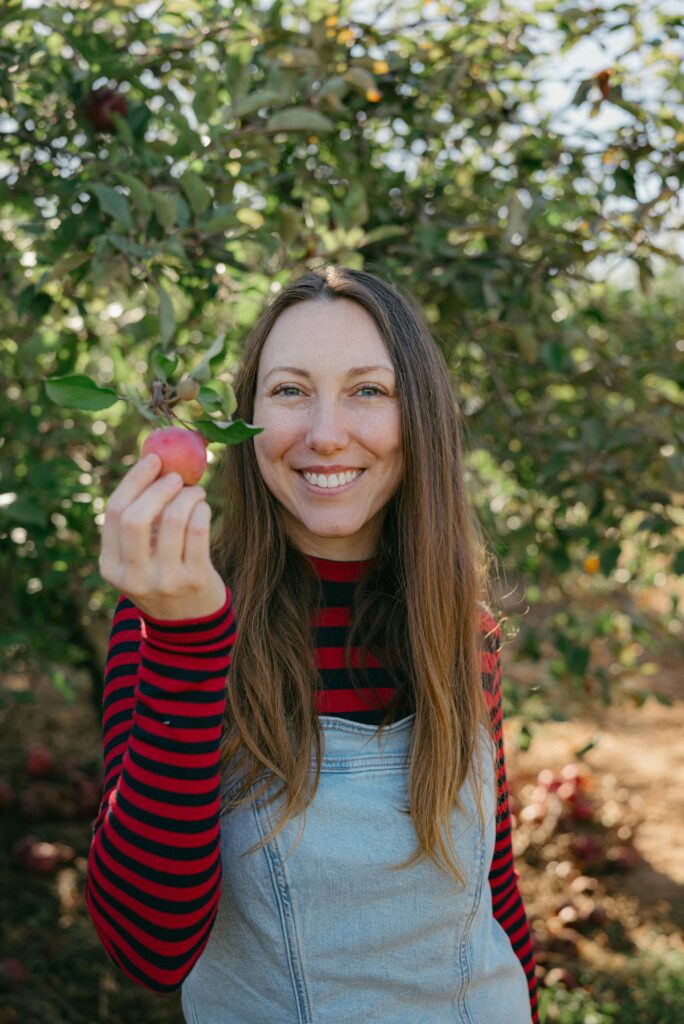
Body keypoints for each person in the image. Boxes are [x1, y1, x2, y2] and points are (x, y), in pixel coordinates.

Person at [86, 265, 539, 1024]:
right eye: (290, 390)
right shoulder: (169, 624)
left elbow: (491, 893)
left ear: (418, 417)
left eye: (369, 390)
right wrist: (189, 642)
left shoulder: (461, 626)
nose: (327, 433)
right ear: (247, 420)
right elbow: (149, 949)